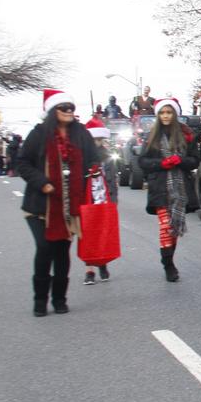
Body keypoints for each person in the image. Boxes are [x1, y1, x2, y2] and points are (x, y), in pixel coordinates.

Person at [15, 90, 99, 316]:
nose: (69, 112)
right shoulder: (40, 133)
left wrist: (93, 171)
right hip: (40, 206)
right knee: (44, 248)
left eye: (71, 108)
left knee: (62, 253)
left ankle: (60, 299)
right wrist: (42, 183)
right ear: (53, 111)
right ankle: (40, 300)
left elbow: (94, 158)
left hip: (70, 207)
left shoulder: (81, 133)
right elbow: (22, 163)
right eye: (64, 108)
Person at [138, 97, 200, 282]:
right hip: (160, 188)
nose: (165, 116)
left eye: (169, 112)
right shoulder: (152, 136)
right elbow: (143, 161)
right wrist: (162, 163)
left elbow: (195, 160)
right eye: (162, 113)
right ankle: (168, 264)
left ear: (174, 114)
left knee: (173, 229)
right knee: (165, 227)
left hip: (180, 189)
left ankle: (169, 257)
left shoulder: (186, 134)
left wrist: (180, 161)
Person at [82, 117, 118, 285]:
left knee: (103, 233)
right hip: (87, 200)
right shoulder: (82, 156)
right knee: (88, 235)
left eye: (99, 139)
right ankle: (89, 270)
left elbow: (112, 179)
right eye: (93, 139)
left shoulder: (107, 156)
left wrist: (114, 200)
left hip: (104, 199)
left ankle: (102, 263)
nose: (96, 142)